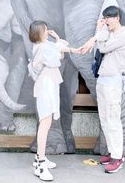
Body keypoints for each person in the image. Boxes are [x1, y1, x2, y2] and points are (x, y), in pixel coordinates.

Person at [80, 6, 125, 174]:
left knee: (113, 119)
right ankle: (112, 152)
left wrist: (97, 37)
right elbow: (101, 38)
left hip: (113, 83)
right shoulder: (109, 32)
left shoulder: (124, 34)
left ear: (117, 18)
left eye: (109, 18)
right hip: (102, 81)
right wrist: (97, 32)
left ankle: (118, 157)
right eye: (105, 18)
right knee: (104, 119)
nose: (106, 21)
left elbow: (103, 48)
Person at [28, 20, 80, 181]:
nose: (47, 32)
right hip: (46, 88)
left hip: (47, 86)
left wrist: (58, 40)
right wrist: (66, 46)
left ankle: (39, 158)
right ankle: (40, 163)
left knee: (46, 123)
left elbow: (58, 49)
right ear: (40, 32)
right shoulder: (43, 48)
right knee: (45, 124)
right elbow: (57, 56)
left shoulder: (43, 46)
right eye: (45, 30)